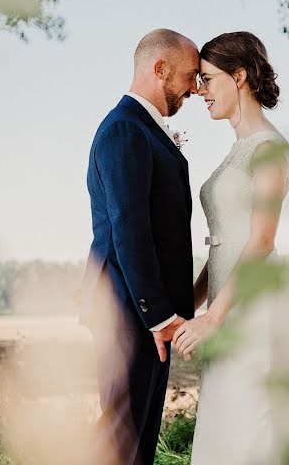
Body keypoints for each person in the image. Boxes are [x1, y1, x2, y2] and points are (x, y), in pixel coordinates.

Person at [173, 31, 289, 463]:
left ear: (240, 76)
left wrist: (214, 315)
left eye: (208, 79)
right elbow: (225, 243)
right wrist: (189, 305)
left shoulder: (268, 147)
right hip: (227, 303)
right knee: (226, 422)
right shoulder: (238, 149)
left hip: (254, 305)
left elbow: (261, 241)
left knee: (252, 425)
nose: (199, 90)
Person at [80, 28, 200, 465]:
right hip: (127, 311)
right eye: (189, 76)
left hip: (143, 314)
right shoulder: (125, 130)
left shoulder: (143, 128)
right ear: (159, 68)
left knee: (138, 443)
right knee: (120, 442)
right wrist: (159, 315)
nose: (194, 86)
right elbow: (129, 229)